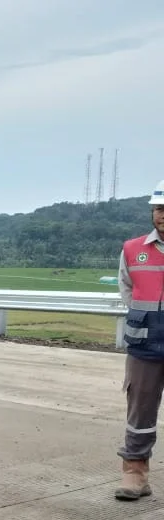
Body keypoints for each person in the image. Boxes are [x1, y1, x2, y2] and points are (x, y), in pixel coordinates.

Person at [113, 178, 164, 500]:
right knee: (140, 411)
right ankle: (135, 473)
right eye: (159, 208)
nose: (163, 214)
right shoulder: (133, 249)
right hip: (145, 344)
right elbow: (127, 288)